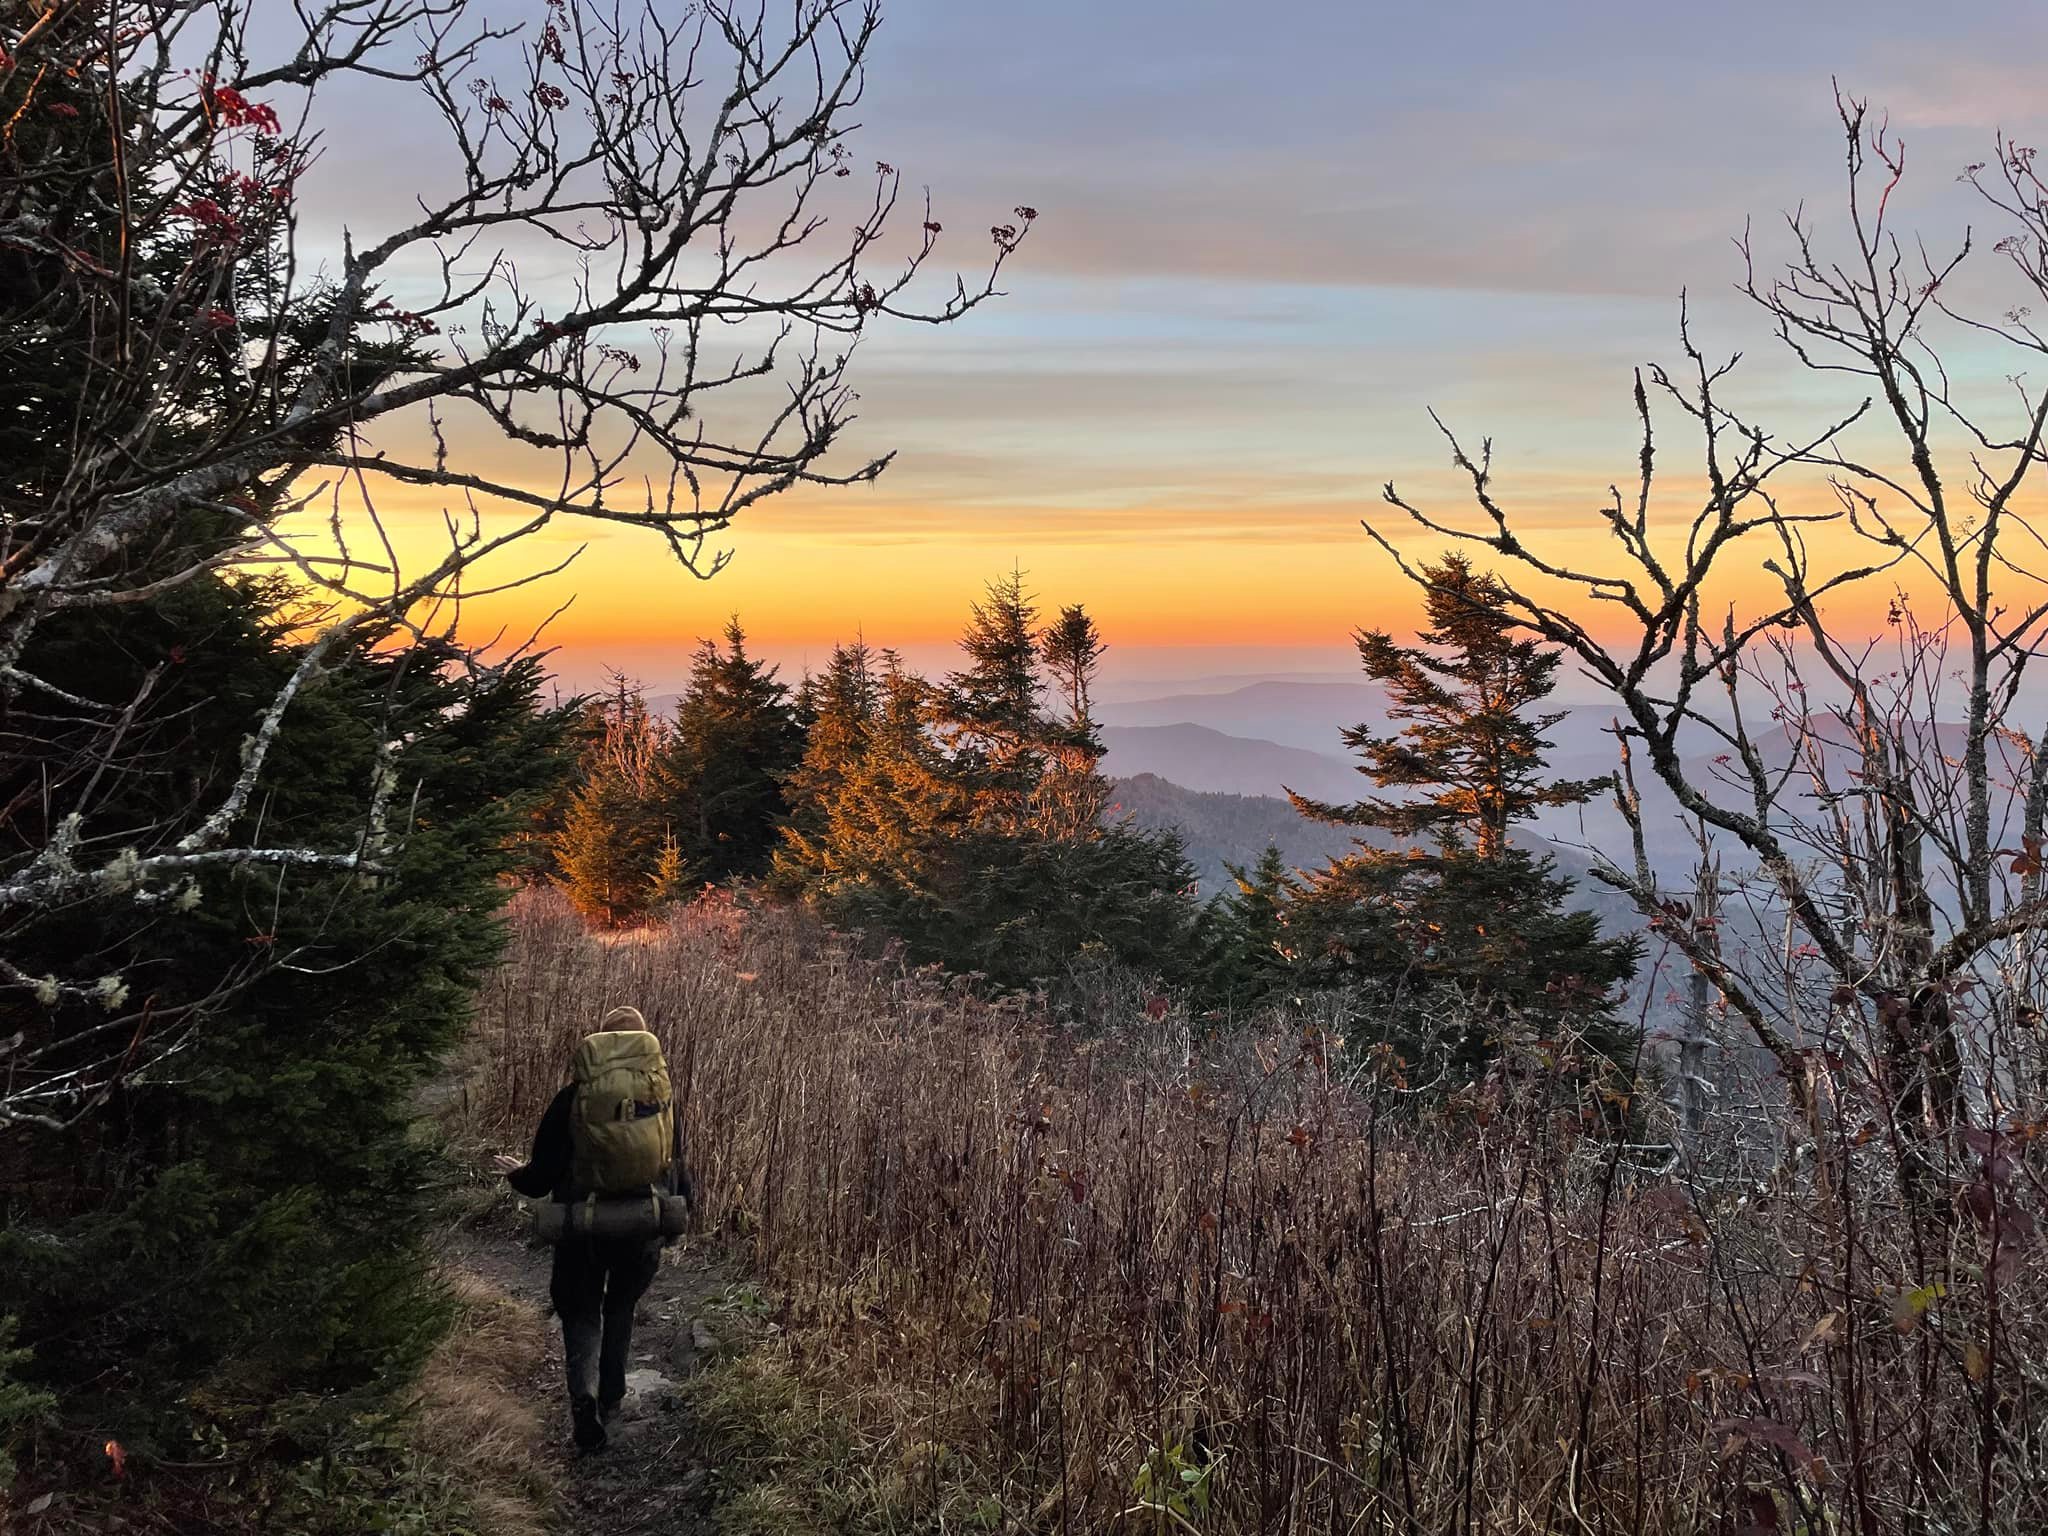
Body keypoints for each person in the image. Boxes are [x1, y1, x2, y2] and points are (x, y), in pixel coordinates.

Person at [500, 1005, 689, 1453]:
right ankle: (611, 1402)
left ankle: (581, 1397)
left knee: (581, 1310)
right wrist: (676, 1223)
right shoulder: (659, 1099)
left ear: (601, 1045)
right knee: (620, 1307)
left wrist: (516, 1175)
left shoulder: (574, 1098)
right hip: (640, 1225)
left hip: (580, 1226)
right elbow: (675, 1168)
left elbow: (542, 1175)